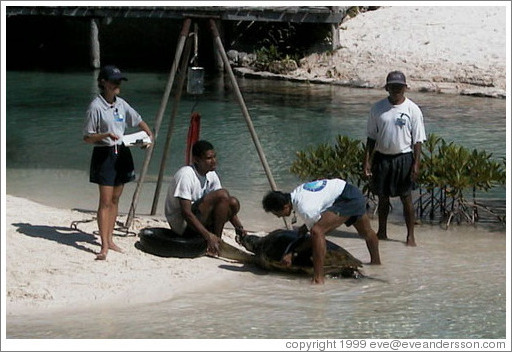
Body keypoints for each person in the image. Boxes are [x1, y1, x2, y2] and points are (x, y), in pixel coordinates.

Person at [83, 65, 153, 260]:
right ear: (103, 82)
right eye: (114, 81)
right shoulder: (95, 107)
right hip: (104, 154)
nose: (117, 84)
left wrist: (148, 136)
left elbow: (137, 120)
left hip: (122, 152)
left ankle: (111, 239)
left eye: (119, 81)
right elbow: (87, 138)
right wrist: (105, 135)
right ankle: (104, 245)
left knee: (115, 199)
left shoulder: (121, 104)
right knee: (105, 201)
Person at [261, 178, 381, 285]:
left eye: (277, 214)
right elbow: (320, 206)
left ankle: (318, 278)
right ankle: (377, 264)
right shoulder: (298, 193)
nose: (278, 217)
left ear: (285, 207)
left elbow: (317, 233)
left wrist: (293, 253)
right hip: (352, 192)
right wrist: (305, 226)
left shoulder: (305, 208)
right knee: (366, 232)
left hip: (346, 199)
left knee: (317, 231)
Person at [363, 70, 426, 247]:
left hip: (404, 158)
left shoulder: (412, 109)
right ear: (387, 88)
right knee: (382, 197)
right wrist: (367, 161)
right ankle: (382, 232)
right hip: (382, 158)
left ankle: (410, 236)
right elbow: (371, 138)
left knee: (406, 198)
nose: (396, 90)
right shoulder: (377, 109)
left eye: (399, 87)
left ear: (405, 88)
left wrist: (416, 164)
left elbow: (418, 140)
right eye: (393, 87)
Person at [164, 140, 246, 257]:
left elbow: (225, 203)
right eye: (208, 158)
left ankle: (217, 240)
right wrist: (208, 236)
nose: (214, 161)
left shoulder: (211, 174)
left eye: (214, 157)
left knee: (232, 202)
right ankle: (214, 241)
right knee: (223, 194)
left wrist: (239, 227)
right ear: (196, 160)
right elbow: (186, 213)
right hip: (182, 225)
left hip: (198, 218)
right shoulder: (186, 175)